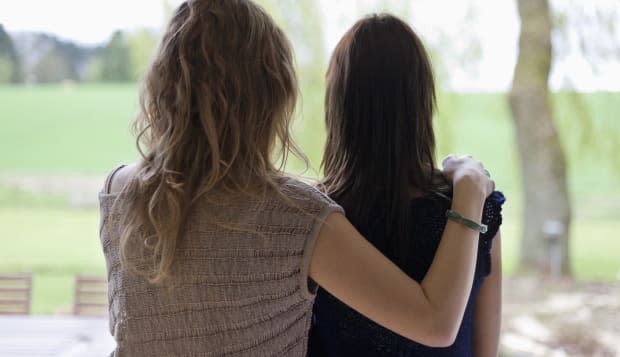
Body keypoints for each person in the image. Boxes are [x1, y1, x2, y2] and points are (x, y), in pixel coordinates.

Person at [98, 1, 495, 355]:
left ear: (164, 83)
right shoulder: (296, 216)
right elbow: (435, 324)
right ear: (272, 93)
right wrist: (470, 193)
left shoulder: (117, 192)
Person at [308, 14, 505, 357]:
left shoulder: (313, 220)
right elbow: (484, 350)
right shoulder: (476, 210)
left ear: (339, 106)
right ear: (421, 102)